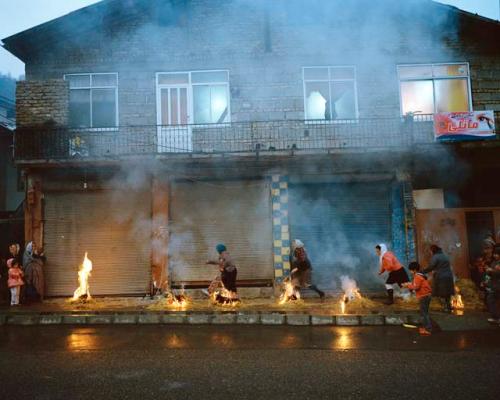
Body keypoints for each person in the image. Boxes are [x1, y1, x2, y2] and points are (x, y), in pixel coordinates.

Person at [403, 262, 433, 336]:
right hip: (426, 295)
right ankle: (426, 327)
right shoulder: (420, 275)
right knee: (424, 312)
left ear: (414, 270)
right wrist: (409, 285)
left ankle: (428, 329)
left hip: (424, 296)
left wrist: (407, 286)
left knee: (424, 313)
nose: (410, 272)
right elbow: (416, 285)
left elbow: (416, 287)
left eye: (410, 270)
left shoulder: (417, 276)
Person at [423, 244, 455, 313]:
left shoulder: (435, 257)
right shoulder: (445, 255)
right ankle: (448, 306)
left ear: (433, 250)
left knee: (441, 292)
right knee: (447, 293)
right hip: (449, 276)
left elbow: (431, 266)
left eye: (430, 251)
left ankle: (445, 308)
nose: (430, 252)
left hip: (441, 277)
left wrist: (422, 271)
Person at [484, 246, 500, 324]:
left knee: (493, 300)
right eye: (495, 254)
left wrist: (492, 271)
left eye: (497, 254)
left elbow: (497, 273)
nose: (495, 256)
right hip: (494, 285)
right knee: (491, 300)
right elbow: (491, 273)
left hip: (498, 285)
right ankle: (496, 317)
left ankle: (497, 317)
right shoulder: (494, 262)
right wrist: (488, 271)